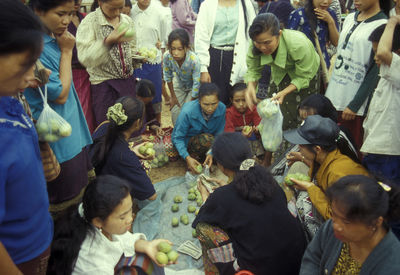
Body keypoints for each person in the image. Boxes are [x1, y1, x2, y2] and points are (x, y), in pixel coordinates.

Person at [193, 132, 307, 274]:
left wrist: (205, 194)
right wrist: (226, 188)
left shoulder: (221, 197)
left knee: (203, 228)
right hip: (297, 261)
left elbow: (202, 217)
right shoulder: (268, 180)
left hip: (261, 270)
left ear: (221, 165)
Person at [26, 0, 92, 218]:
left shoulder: (53, 39)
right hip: (60, 143)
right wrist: (66, 52)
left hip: (74, 136)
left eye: (69, 13)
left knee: (82, 202)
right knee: (67, 211)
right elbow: (61, 94)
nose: (66, 21)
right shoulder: (34, 49)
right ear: (38, 10)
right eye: (60, 14)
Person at [0, 1, 53, 274]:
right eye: (25, 64)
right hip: (17, 257)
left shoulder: (10, 100)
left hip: (37, 241)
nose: (33, 75)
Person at [48, 175, 172, 274]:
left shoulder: (90, 213)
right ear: (98, 221)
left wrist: (146, 245)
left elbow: (124, 239)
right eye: (122, 216)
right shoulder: (94, 263)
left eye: (130, 210)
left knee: (145, 258)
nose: (130, 219)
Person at [245, 13, 320, 165]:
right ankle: (270, 156)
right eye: (258, 43)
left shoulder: (298, 44)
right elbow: (253, 69)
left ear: (279, 34)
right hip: (279, 74)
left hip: (305, 78)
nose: (262, 47)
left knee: (300, 116)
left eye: (267, 42)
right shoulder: (256, 45)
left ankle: (295, 158)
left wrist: (285, 92)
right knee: (273, 113)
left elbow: (304, 75)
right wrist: (250, 87)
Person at [300, 175, 400, 274]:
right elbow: (313, 258)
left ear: (375, 222)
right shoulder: (331, 228)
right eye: (333, 214)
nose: (336, 226)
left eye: (346, 222)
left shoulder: (392, 265)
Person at [324, 0, 389, 150]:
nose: (355, 1)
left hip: (354, 107)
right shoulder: (349, 18)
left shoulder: (383, 25)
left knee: (350, 149)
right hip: (334, 98)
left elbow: (375, 71)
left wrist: (355, 105)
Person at [283, 115, 369, 221]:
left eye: (301, 145)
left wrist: (311, 188)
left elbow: (338, 217)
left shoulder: (338, 172)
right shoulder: (322, 159)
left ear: (317, 149)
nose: (298, 147)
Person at [76, 0, 138, 127]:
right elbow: (85, 58)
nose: (116, 13)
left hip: (127, 83)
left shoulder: (126, 20)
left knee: (130, 125)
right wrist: (107, 42)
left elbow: (131, 47)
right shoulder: (90, 23)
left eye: (119, 8)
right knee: (108, 127)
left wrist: (137, 58)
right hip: (104, 85)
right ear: (100, 2)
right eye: (112, 9)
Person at [89, 97, 157, 201]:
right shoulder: (124, 157)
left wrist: (132, 151)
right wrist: (133, 159)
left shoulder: (104, 126)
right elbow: (151, 196)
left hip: (95, 183)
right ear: (137, 122)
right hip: (104, 198)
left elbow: (112, 151)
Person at [195, 0, 256, 105]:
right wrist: (203, 68)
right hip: (214, 57)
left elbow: (252, 33)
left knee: (236, 99)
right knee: (215, 99)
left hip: (238, 56)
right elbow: (201, 37)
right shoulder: (208, 5)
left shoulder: (246, 3)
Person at [172, 83, 225, 174]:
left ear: (218, 101)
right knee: (205, 139)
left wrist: (211, 152)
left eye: (214, 104)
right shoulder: (187, 111)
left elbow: (219, 134)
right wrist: (187, 157)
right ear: (199, 101)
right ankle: (192, 158)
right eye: (206, 104)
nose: (210, 108)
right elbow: (178, 138)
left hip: (209, 142)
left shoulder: (222, 108)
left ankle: (206, 157)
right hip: (187, 143)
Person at [131, 0, 167, 124]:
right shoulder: (130, 12)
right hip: (134, 62)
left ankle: (157, 126)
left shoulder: (159, 13)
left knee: (154, 95)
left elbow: (163, 38)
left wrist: (159, 47)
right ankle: (138, 127)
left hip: (152, 62)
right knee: (136, 95)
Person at [163, 29, 201, 125]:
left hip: (193, 88)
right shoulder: (167, 56)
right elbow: (168, 77)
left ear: (186, 48)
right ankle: (177, 135)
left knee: (187, 113)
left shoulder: (194, 60)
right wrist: (173, 97)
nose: (175, 53)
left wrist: (190, 104)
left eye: (179, 49)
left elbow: (197, 84)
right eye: (173, 48)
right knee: (175, 112)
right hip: (179, 84)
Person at [288, 0, 339, 70]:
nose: (326, 2)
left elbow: (336, 42)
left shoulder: (330, 14)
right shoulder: (298, 15)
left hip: (322, 67)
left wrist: (330, 22)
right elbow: (289, 45)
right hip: (302, 68)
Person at [69, 0, 95, 133]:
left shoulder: (85, 18)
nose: (76, 2)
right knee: (80, 111)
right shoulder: (61, 22)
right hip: (72, 72)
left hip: (90, 72)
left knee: (92, 109)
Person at [224, 83, 265, 161]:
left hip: (252, 137)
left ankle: (258, 156)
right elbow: (229, 133)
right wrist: (241, 136)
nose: (241, 104)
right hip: (236, 139)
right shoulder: (229, 113)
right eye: (237, 101)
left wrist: (257, 129)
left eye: (244, 100)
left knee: (258, 134)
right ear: (231, 100)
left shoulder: (253, 108)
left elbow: (258, 121)